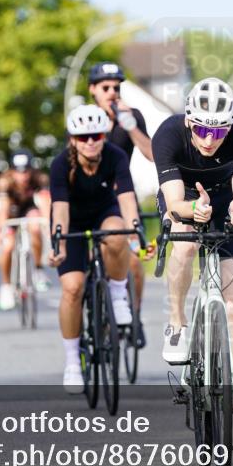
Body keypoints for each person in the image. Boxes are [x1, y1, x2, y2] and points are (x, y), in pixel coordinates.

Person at [152, 77, 233, 448]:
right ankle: (177, 322)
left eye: (218, 131)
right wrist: (192, 210)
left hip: (225, 209)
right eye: (201, 129)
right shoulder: (167, 135)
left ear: (230, 125)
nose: (210, 139)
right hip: (185, 203)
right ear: (187, 122)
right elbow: (173, 202)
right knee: (182, 247)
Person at [49, 105, 141, 393]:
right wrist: (60, 244)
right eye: (83, 136)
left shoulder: (116, 156)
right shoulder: (61, 164)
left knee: (117, 235)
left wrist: (136, 236)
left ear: (104, 135)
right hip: (73, 220)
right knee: (73, 288)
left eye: (96, 135)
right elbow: (60, 210)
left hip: (105, 212)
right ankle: (72, 362)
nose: (90, 141)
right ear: (72, 139)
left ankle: (116, 294)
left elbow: (127, 200)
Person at [88, 62, 153, 345]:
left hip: (124, 198)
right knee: (93, 259)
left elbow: (151, 153)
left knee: (135, 264)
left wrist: (128, 124)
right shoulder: (86, 119)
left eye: (117, 87)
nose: (112, 92)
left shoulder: (132, 115)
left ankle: (134, 317)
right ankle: (94, 312)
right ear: (93, 91)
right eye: (106, 88)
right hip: (91, 199)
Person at [0, 149, 51, 310]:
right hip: (12, 210)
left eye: (26, 171)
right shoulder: (5, 182)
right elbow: (4, 209)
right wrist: (2, 230)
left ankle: (39, 269)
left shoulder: (39, 178)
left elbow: (45, 202)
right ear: (12, 171)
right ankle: (6, 286)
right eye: (19, 172)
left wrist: (47, 225)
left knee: (35, 227)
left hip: (29, 208)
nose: (24, 176)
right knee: (8, 247)